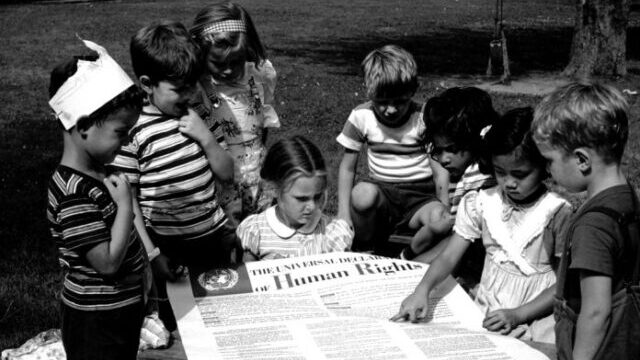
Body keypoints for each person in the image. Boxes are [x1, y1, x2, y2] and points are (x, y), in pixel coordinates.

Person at [392, 108, 572, 344]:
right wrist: (422, 290)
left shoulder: (556, 212)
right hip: (488, 307)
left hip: (537, 314)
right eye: (500, 172)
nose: (509, 183)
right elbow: (448, 257)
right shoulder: (482, 202)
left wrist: (519, 314)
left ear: (543, 166)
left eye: (520, 174)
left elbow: (563, 282)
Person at [110, 21, 237, 331]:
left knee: (226, 320)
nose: (190, 93)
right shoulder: (133, 131)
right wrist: (153, 254)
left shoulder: (197, 114)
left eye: (193, 84)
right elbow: (129, 202)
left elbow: (227, 174)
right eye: (179, 88)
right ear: (146, 83)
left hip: (213, 236)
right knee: (181, 327)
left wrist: (206, 137)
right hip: (169, 246)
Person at [47, 39, 147, 360]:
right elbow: (106, 262)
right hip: (96, 319)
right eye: (121, 131)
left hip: (119, 310)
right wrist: (126, 207)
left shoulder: (101, 172)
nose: (129, 139)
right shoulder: (73, 191)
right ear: (85, 125)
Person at [533, 82, 640, 359]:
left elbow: (595, 311)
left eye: (549, 160)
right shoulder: (628, 198)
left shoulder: (592, 226)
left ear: (581, 160)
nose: (547, 170)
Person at [336, 44, 449, 257]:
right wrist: (343, 213)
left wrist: (444, 204)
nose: (391, 109)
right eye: (382, 102)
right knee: (362, 194)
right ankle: (365, 248)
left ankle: (412, 254)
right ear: (370, 91)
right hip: (383, 195)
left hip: (420, 198)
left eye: (399, 101)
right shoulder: (361, 116)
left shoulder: (423, 116)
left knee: (439, 218)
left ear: (413, 90)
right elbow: (348, 168)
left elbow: (439, 168)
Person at [190, 1, 280, 223]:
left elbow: (262, 121)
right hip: (217, 183)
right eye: (218, 63)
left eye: (236, 62)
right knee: (228, 241)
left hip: (259, 177)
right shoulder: (195, 88)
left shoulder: (261, 74)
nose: (228, 69)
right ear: (201, 51)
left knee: (261, 236)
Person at [401, 86, 498, 263]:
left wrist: (417, 266)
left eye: (451, 149)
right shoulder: (465, 172)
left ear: (475, 141)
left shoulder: (478, 180)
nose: (444, 159)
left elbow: (459, 244)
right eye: (438, 150)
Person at [237, 136, 354, 261]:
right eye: (302, 199)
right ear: (273, 189)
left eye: (317, 196)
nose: (312, 206)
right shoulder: (256, 232)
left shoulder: (330, 233)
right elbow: (247, 278)